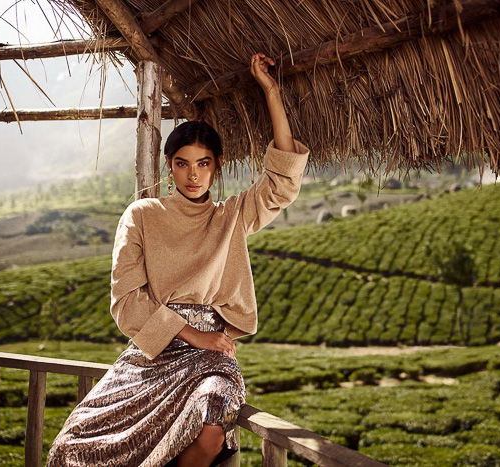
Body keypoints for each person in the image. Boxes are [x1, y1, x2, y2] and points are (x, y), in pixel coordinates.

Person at [46, 52, 310, 466]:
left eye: (203, 164)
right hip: (152, 351)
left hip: (212, 357)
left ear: (216, 167)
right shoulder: (142, 214)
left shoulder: (231, 217)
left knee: (209, 425)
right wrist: (190, 334)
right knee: (73, 447)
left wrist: (271, 91)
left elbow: (283, 180)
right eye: (183, 164)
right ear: (170, 167)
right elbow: (127, 302)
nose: (193, 175)